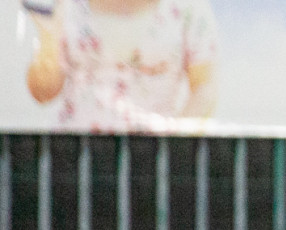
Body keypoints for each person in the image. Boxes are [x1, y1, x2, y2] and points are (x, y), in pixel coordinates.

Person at [25, 0, 218, 133]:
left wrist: (176, 147)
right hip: (77, 153)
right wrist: (48, 37)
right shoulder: (68, 5)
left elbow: (204, 88)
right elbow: (42, 92)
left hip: (154, 157)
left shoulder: (188, 6)